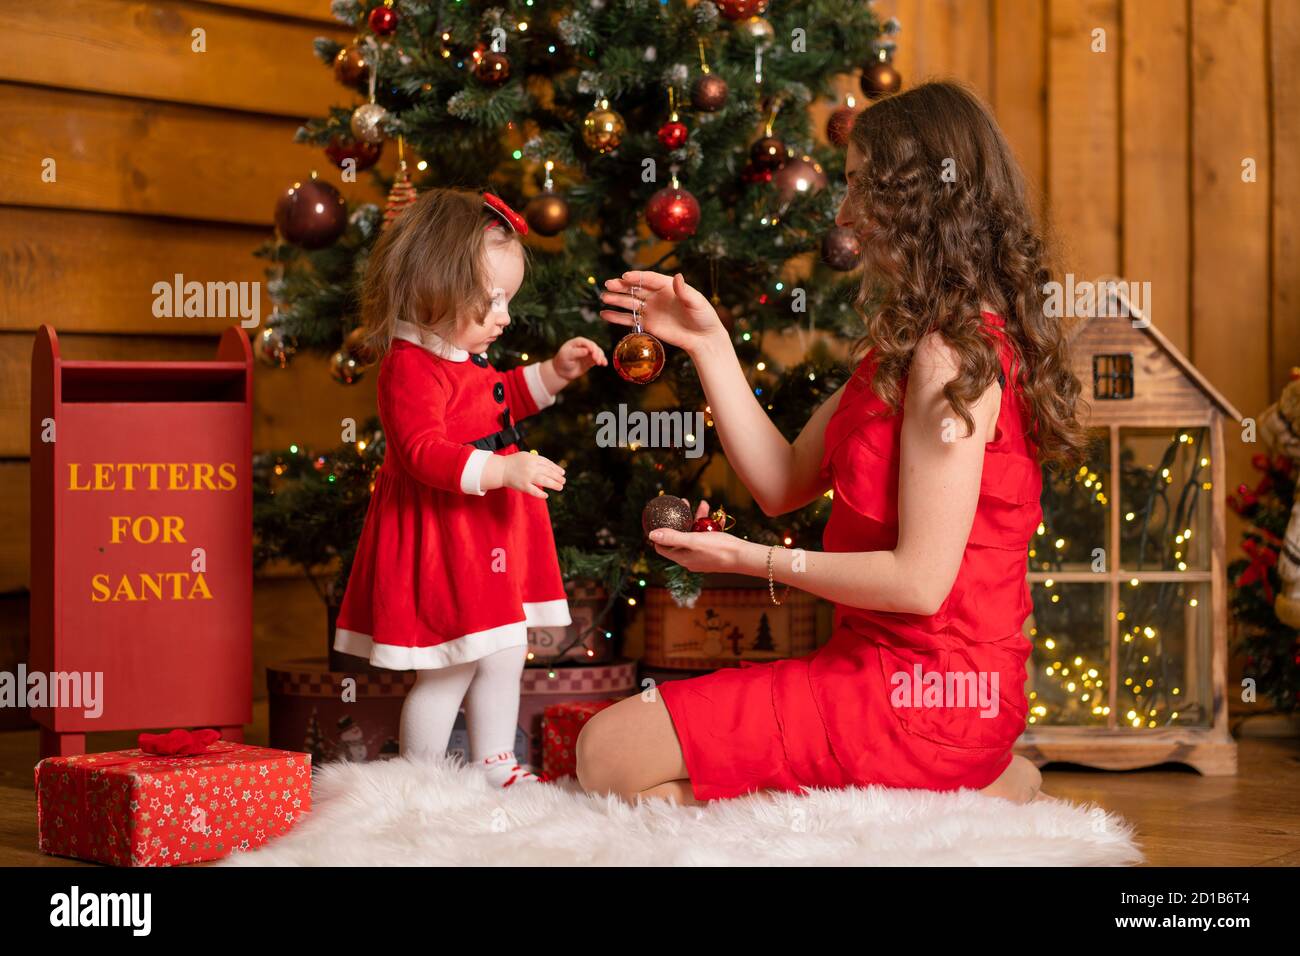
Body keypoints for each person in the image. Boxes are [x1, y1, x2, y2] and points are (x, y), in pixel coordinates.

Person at [578, 81, 1086, 805]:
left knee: (605, 755)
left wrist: (748, 561)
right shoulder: (907, 351)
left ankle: (917, 788)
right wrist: (708, 343)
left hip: (926, 698)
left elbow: (920, 584)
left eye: (857, 187)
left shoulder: (952, 355)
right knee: (623, 756)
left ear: (917, 200)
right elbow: (781, 483)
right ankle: (979, 785)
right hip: (895, 677)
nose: (843, 216)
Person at [334, 188, 606, 787]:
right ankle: (420, 780)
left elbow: (500, 397)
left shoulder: (461, 355)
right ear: (433, 288)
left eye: (507, 299)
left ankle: (494, 764)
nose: (505, 316)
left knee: (505, 651)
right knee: (448, 667)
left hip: (485, 537)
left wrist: (555, 373)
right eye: (491, 300)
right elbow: (421, 452)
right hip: (443, 539)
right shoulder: (409, 365)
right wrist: (504, 471)